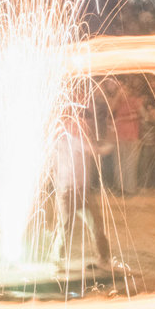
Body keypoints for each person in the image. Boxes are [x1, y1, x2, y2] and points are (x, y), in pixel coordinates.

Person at [53, 114, 111, 270]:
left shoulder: (65, 142)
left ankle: (58, 260)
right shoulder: (73, 142)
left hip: (78, 191)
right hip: (69, 192)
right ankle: (102, 258)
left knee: (88, 224)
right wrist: (109, 145)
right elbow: (97, 150)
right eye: (76, 125)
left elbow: (94, 150)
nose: (80, 128)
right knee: (69, 226)